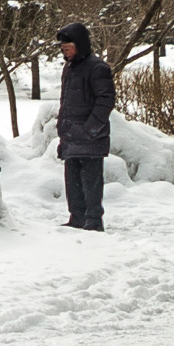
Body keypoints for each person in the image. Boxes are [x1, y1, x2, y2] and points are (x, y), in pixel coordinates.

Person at [54, 21, 115, 231]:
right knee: (72, 181)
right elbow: (66, 102)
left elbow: (105, 100)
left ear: (79, 45)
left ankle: (93, 220)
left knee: (91, 181)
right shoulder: (69, 69)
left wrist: (91, 129)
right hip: (71, 136)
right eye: (63, 50)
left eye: (68, 48)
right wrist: (63, 129)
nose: (66, 53)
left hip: (91, 137)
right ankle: (77, 217)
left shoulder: (97, 68)